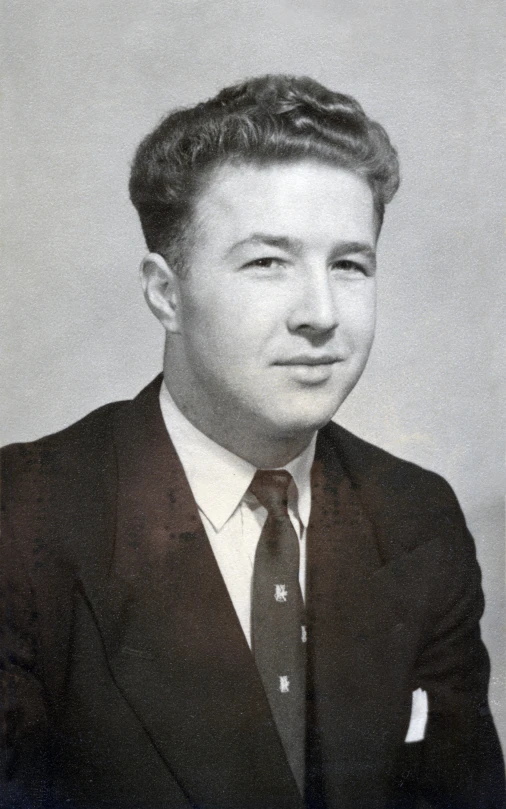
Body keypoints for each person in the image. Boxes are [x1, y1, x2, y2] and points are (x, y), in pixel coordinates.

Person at [1, 74, 504, 809]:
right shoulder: (21, 517)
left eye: (348, 264)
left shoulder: (417, 516)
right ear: (165, 294)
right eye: (268, 261)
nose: (321, 314)